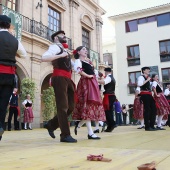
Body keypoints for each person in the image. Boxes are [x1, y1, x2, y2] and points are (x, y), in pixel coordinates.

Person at [42, 30, 77, 143]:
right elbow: (44, 57)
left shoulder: (65, 50)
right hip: (59, 78)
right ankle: (65, 135)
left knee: (71, 106)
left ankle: (51, 124)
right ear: (56, 38)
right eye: (61, 35)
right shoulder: (55, 47)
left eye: (64, 35)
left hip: (68, 79)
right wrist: (61, 55)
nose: (64, 36)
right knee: (63, 107)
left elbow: (75, 67)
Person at [0, 15, 27, 141]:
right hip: (9, 75)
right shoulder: (15, 40)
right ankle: (0, 127)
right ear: (8, 25)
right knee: (3, 103)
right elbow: (24, 55)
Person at [73, 46, 105, 139]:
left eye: (86, 49)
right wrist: (88, 76)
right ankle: (90, 133)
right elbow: (78, 70)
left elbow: (94, 73)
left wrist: (96, 78)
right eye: (83, 49)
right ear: (78, 52)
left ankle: (79, 124)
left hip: (92, 83)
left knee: (91, 105)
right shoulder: (79, 61)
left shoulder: (89, 62)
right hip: (85, 83)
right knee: (88, 105)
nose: (86, 51)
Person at [137, 67, 157, 131]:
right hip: (144, 94)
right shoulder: (141, 77)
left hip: (149, 94)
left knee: (153, 109)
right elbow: (139, 84)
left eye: (149, 70)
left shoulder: (148, 78)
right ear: (143, 71)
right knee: (147, 109)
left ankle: (152, 125)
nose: (149, 70)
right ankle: (147, 127)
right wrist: (147, 80)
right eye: (147, 70)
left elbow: (150, 86)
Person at [98, 67, 117, 132]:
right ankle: (110, 126)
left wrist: (95, 80)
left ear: (106, 72)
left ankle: (112, 124)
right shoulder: (112, 78)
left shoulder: (109, 77)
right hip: (111, 95)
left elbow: (104, 82)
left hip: (108, 96)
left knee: (107, 111)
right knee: (109, 111)